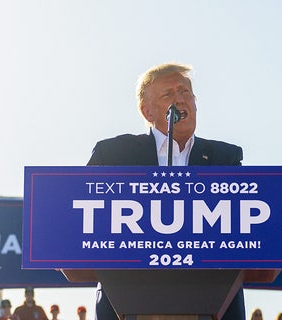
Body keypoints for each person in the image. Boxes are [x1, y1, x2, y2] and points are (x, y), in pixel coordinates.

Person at [88, 63, 244, 320]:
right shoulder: (114, 154)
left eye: (185, 92)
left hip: (213, 302)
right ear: (147, 111)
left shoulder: (225, 157)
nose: (180, 99)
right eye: (168, 94)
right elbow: (80, 215)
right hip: (127, 301)